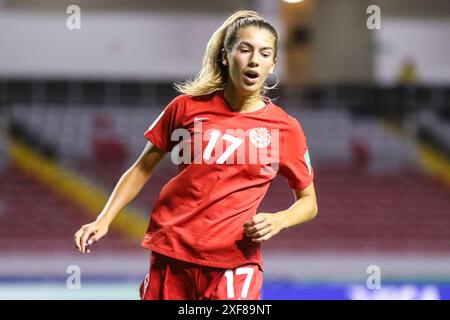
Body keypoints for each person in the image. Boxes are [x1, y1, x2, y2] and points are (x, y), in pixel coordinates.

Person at [74, 10, 318, 300]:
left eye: (265, 54)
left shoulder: (285, 129)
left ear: (273, 63)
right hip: (173, 255)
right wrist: (104, 219)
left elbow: (309, 202)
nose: (254, 60)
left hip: (236, 263)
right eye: (245, 49)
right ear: (227, 55)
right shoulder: (185, 108)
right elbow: (141, 168)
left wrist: (279, 220)